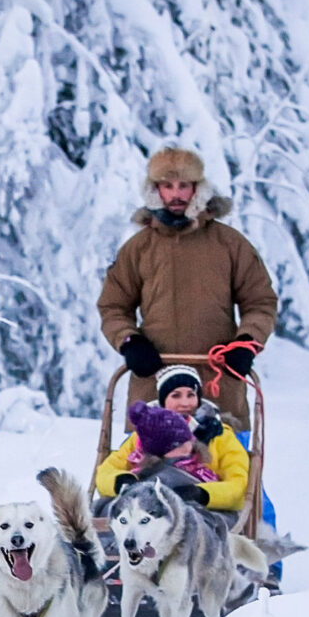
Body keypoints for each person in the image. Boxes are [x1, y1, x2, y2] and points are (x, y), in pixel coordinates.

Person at [96, 146, 277, 438]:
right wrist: (130, 342)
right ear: (156, 190)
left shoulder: (230, 244)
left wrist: (246, 342)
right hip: (154, 378)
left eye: (184, 186)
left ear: (198, 189)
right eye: (167, 186)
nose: (176, 194)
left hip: (218, 379)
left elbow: (260, 301)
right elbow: (113, 306)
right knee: (145, 469)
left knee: (232, 472)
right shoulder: (138, 248)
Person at [94, 363, 251, 513]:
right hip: (143, 507)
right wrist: (122, 481)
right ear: (163, 401)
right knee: (103, 510)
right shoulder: (143, 434)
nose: (185, 403)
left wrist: (201, 494)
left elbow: (238, 486)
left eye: (191, 395)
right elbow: (106, 472)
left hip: (199, 510)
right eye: (176, 395)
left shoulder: (219, 435)